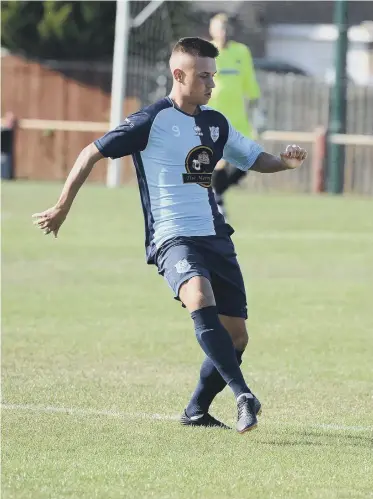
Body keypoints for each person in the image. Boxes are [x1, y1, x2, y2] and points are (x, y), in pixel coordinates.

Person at [32, 37, 307, 434]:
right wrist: (62, 206)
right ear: (178, 75)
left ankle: (196, 410)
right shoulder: (150, 120)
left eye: (213, 76)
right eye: (204, 76)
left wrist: (282, 162)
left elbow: (251, 157)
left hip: (214, 235)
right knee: (198, 294)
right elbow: (90, 152)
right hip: (171, 236)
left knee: (237, 336)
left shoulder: (216, 123)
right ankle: (243, 394)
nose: (212, 84)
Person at [208, 13, 262, 218]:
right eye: (218, 28)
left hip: (238, 118)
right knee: (219, 161)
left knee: (248, 161)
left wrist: (257, 109)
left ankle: (215, 195)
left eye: (226, 27)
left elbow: (249, 81)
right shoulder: (206, 52)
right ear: (211, 30)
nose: (223, 32)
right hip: (214, 117)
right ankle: (217, 201)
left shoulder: (242, 52)